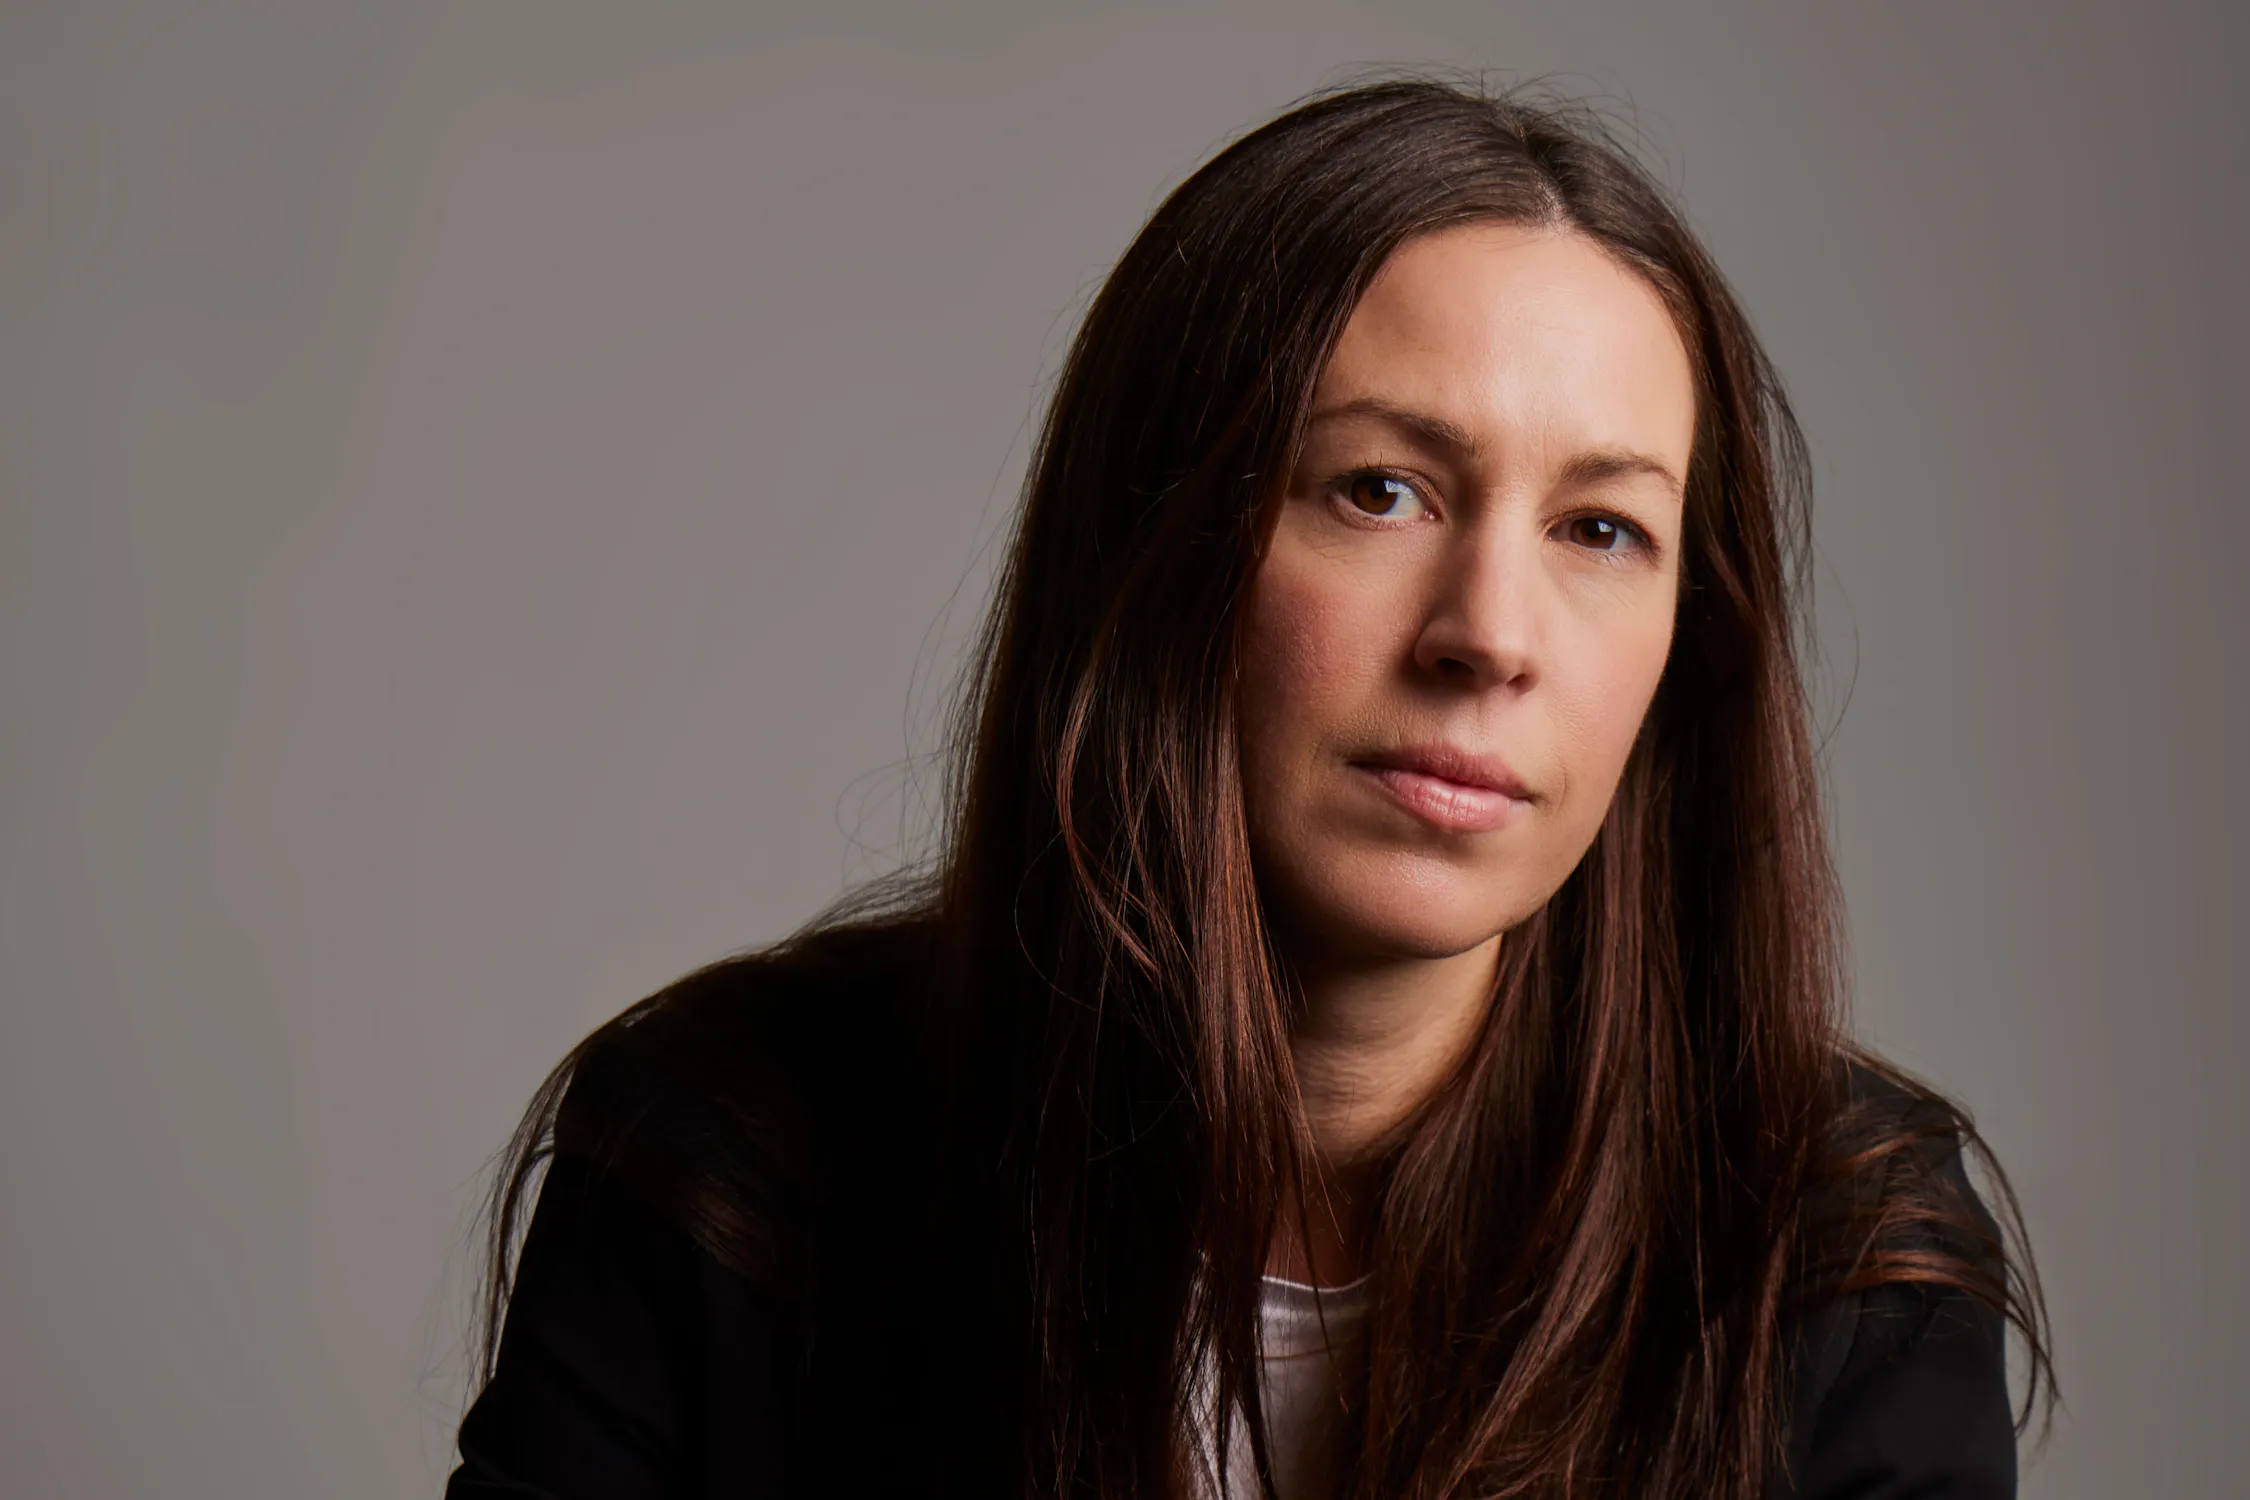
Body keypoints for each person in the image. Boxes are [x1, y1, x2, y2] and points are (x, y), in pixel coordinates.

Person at [445, 76, 2053, 1499]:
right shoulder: (730, 1166)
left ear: (1680, 651)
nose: (1489, 636)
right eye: (1380, 489)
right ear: (1160, 549)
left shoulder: (1840, 1258)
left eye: (1599, 529)